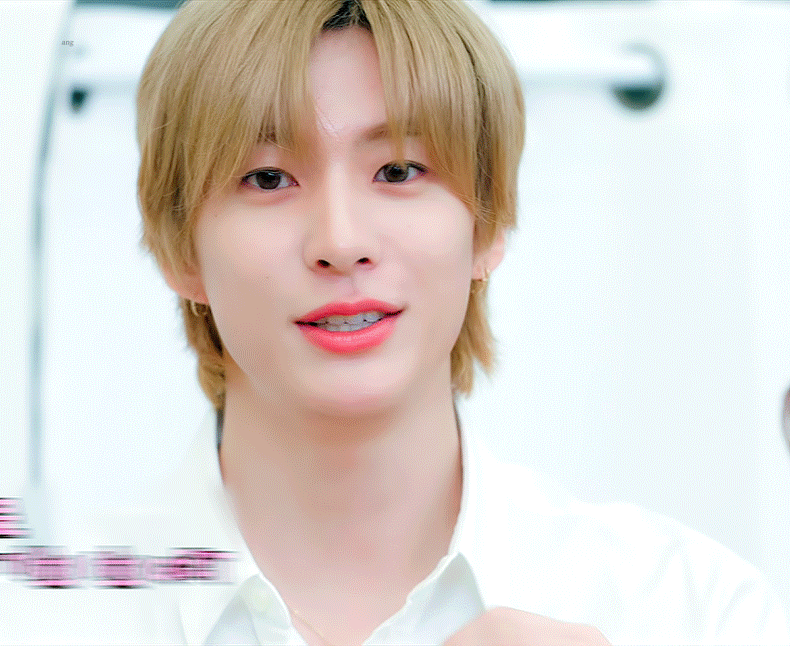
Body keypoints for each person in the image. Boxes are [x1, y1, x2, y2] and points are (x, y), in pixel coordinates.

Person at [1, 0, 787, 644]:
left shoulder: (691, 609)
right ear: (179, 247)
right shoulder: (32, 620)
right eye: (268, 178)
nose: (341, 241)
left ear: (488, 223)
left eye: (400, 170)